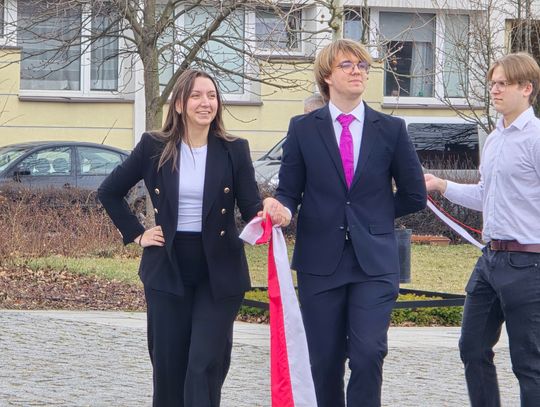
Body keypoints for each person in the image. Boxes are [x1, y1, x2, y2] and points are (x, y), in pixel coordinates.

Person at [263, 39, 427, 407]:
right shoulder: (303, 128)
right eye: (347, 65)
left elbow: (415, 195)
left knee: (368, 355)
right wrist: (281, 210)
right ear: (327, 76)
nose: (358, 71)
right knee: (323, 363)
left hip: (375, 263)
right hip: (320, 262)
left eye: (362, 65)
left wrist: (371, 217)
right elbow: (289, 191)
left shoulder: (391, 128)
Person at [98, 69, 261, 407]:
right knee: (169, 369)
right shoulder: (154, 146)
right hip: (168, 267)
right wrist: (137, 234)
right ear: (179, 104)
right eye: (197, 96)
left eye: (212, 96)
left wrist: (271, 214)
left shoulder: (234, 149)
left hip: (220, 270)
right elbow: (109, 191)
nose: (206, 103)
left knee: (203, 365)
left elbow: (251, 208)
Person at [425, 52, 540, 407]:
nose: (494, 90)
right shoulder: (494, 139)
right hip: (489, 260)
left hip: (529, 264)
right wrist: (441, 185)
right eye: (492, 83)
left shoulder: (536, 138)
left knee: (529, 364)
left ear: (527, 88)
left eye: (503, 83)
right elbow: (485, 195)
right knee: (472, 348)